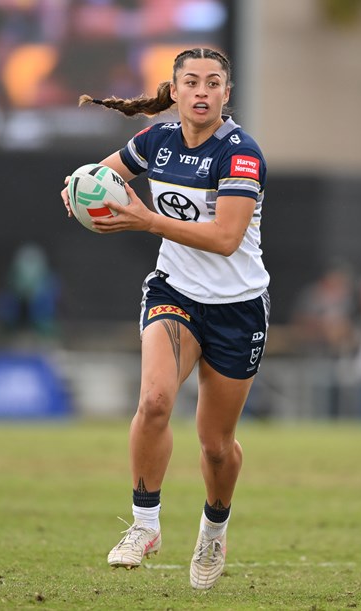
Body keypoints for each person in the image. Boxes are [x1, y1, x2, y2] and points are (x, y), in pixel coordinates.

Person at [61, 47, 269, 591]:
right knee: (154, 401)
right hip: (174, 292)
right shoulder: (155, 141)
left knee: (216, 445)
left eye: (213, 83)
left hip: (237, 307)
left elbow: (226, 239)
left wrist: (146, 220)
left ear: (227, 93)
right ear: (174, 92)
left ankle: (214, 528)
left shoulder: (241, 154)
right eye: (191, 82)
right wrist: (80, 189)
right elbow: (98, 177)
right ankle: (144, 524)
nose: (202, 91)